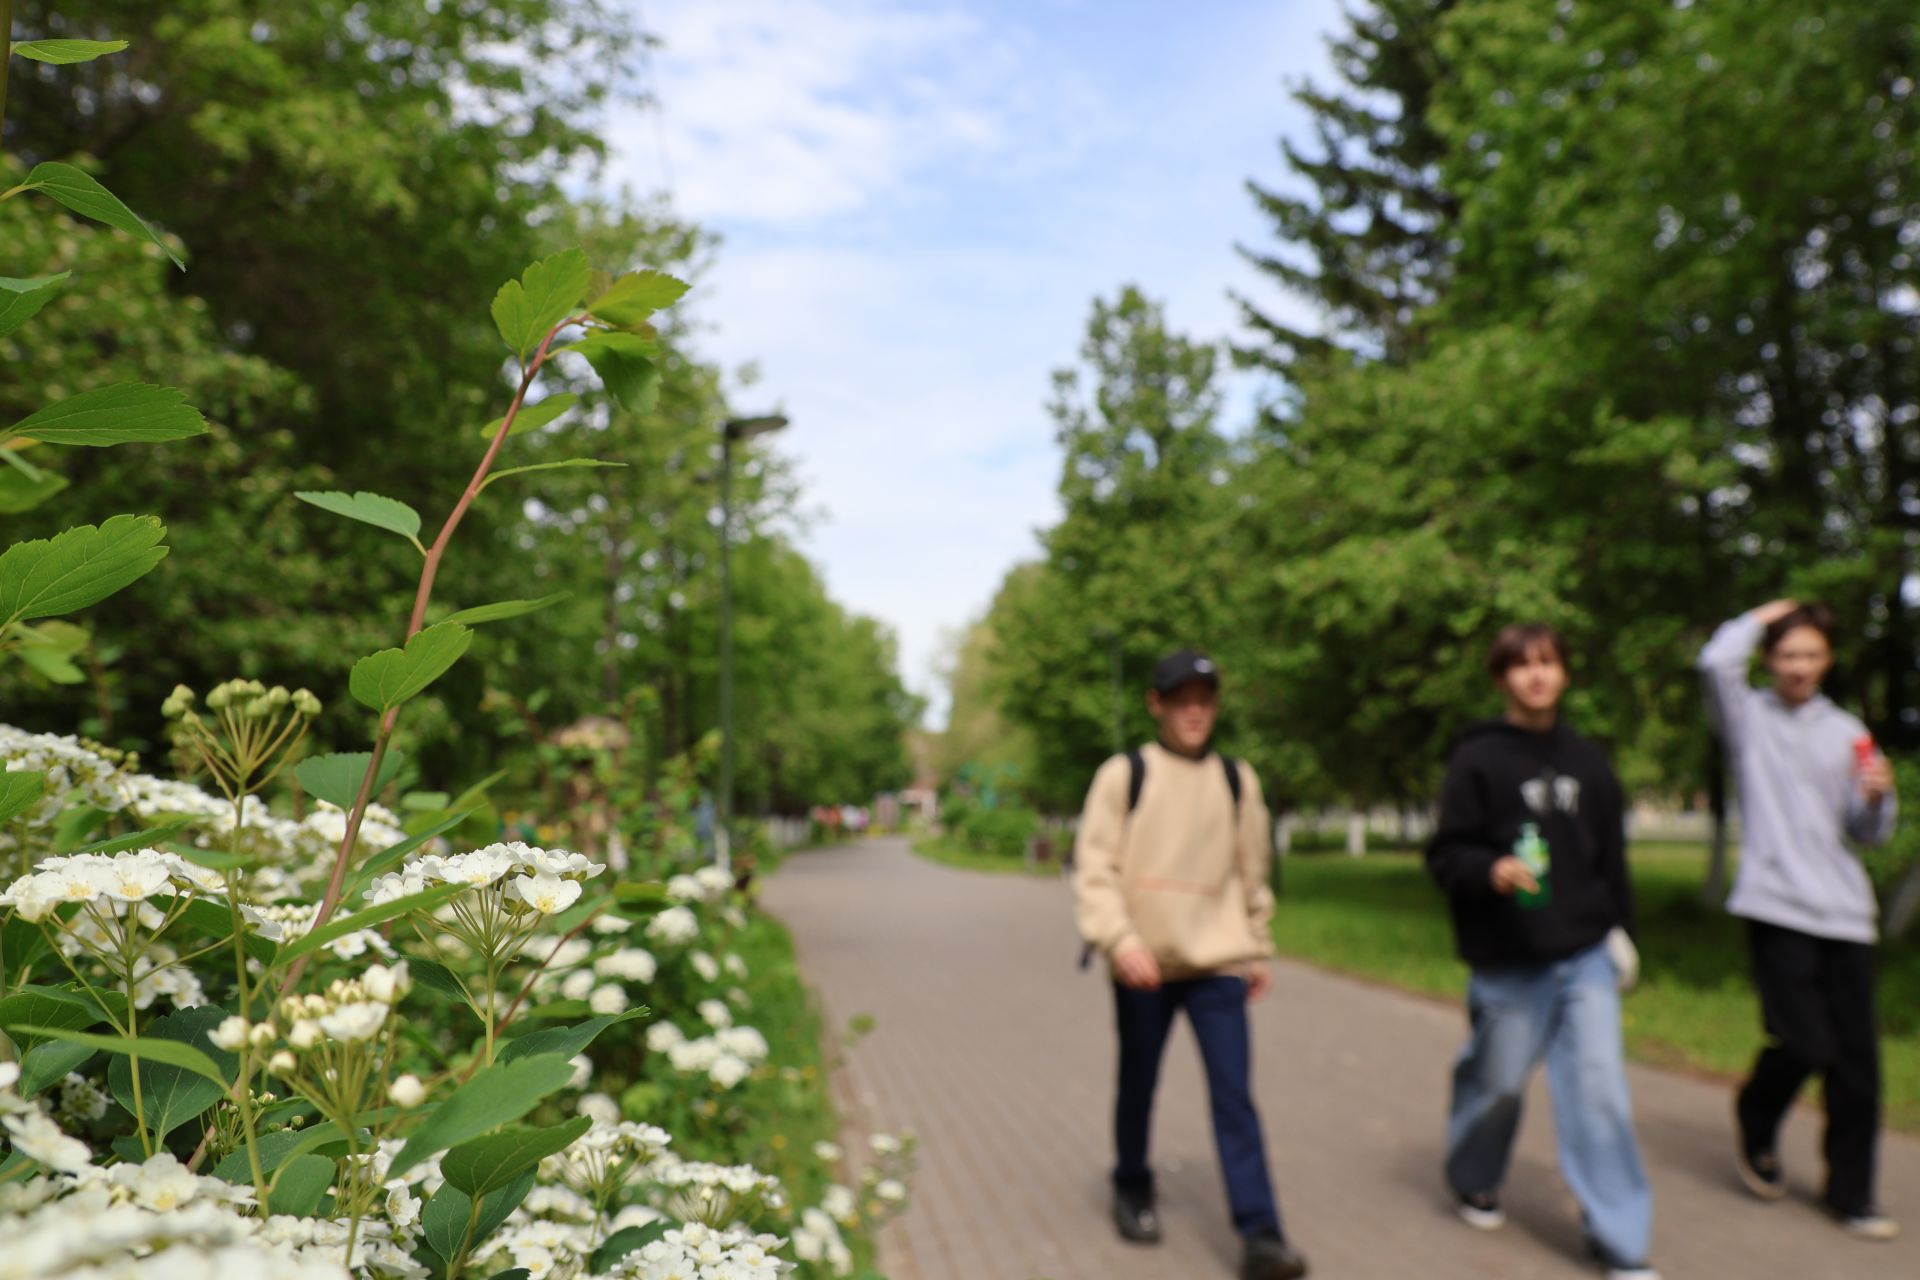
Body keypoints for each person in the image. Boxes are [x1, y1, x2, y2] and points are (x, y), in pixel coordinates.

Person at [1426, 623, 1659, 1280]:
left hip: (1583, 954)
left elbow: (1613, 859)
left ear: (1564, 674)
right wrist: (1491, 871)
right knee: (1497, 1084)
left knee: (1600, 1093)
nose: (1537, 676)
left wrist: (1622, 932)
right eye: (1522, 665)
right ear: (1501, 677)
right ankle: (1473, 1176)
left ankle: (1619, 1240)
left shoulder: (1589, 760)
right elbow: (1446, 854)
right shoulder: (1477, 760)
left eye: (1548, 663)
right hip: (1508, 960)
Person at [1072, 649, 1307, 1280]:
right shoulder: (1126, 776)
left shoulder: (1237, 780)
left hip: (1216, 965)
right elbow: (1095, 870)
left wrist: (1256, 945)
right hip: (1144, 964)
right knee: (1139, 1084)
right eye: (1181, 699)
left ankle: (1261, 1234)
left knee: (1234, 1096)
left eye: (1205, 698)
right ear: (1157, 705)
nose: (1194, 710)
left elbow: (1251, 871)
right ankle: (1132, 1184)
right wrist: (1121, 941)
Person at [1699, 600, 1900, 1241]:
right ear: (1769, 660)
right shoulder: (1748, 718)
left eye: (1811, 655)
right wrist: (1768, 614)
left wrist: (1876, 799)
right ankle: (1757, 1116)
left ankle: (1853, 1195)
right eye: (1787, 654)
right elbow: (1714, 661)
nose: (1799, 667)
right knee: (1806, 1043)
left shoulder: (1846, 732)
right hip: (1776, 904)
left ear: (1827, 661)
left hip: (1844, 913)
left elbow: (1869, 835)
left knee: (1858, 1065)